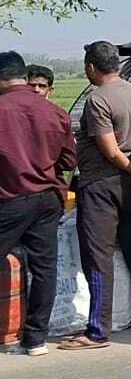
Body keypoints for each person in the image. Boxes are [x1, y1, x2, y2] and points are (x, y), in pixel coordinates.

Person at [59, 41, 131, 351]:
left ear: (91, 67)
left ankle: (97, 330)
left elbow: (110, 152)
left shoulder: (97, 100)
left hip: (100, 186)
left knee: (98, 257)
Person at [0, 52, 75, 356]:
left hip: (10, 197)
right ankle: (36, 339)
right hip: (47, 198)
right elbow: (69, 159)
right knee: (44, 267)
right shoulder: (54, 112)